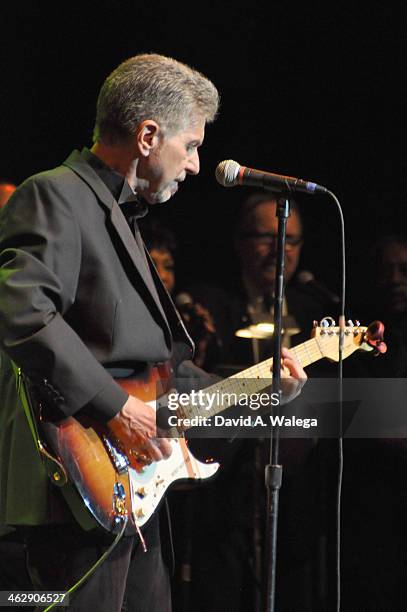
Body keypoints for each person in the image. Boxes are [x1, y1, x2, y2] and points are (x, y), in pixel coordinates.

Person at [0, 54, 305, 612]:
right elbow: (22, 314)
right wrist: (115, 405)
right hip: (68, 496)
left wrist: (256, 389)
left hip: (129, 497)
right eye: (190, 145)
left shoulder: (126, 220)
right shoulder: (55, 195)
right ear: (147, 135)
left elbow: (163, 373)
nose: (194, 165)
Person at [185, 191, 339, 612]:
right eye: (266, 237)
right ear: (238, 242)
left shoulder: (315, 311)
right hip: (223, 494)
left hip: (296, 496)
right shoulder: (208, 306)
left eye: (291, 241)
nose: (280, 250)